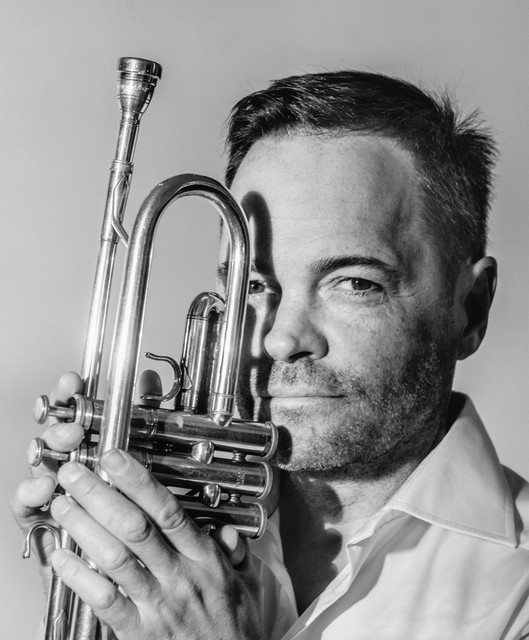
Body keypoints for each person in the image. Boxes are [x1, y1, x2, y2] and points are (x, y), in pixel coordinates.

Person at [12, 71, 529, 639]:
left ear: (470, 309)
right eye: (254, 286)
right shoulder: (168, 539)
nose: (281, 339)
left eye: (355, 282)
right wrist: (95, 596)